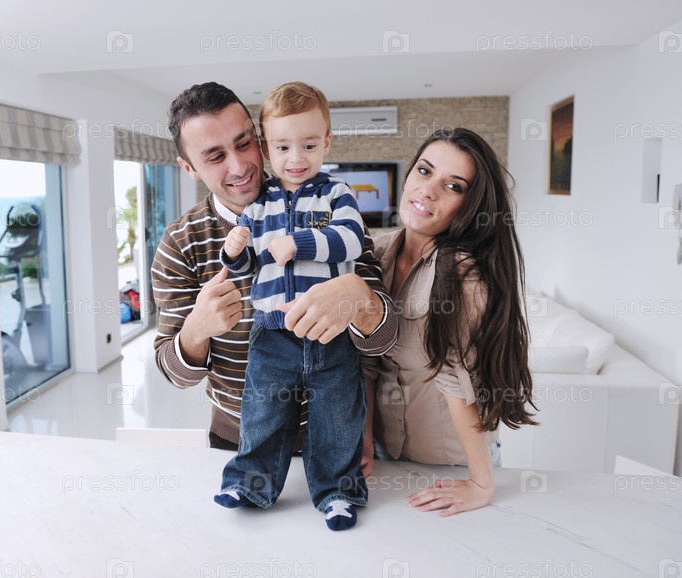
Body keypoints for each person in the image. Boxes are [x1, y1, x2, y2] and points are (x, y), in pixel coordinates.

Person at [151, 82, 395, 463]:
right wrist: (196, 330)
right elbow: (174, 374)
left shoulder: (331, 208)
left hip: (331, 437)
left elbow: (383, 341)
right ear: (189, 168)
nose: (239, 167)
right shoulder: (180, 243)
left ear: (261, 141)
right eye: (215, 156)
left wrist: (359, 297)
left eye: (243, 143)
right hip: (240, 443)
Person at [215, 82, 367, 530]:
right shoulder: (257, 205)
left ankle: (338, 493)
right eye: (282, 147)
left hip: (329, 332)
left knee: (337, 417)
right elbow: (249, 268)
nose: (296, 158)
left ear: (327, 143)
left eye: (309, 145)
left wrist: (299, 243)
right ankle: (250, 483)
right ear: (267, 147)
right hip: (272, 333)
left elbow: (351, 239)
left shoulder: (337, 192)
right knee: (262, 411)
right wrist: (233, 251)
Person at [369, 128, 537, 517]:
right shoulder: (374, 254)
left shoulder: (462, 274)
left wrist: (481, 484)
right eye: (424, 171)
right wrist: (362, 443)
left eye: (453, 186)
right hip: (383, 454)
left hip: (452, 465)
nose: (428, 191)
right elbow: (366, 364)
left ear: (470, 206)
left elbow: (457, 381)